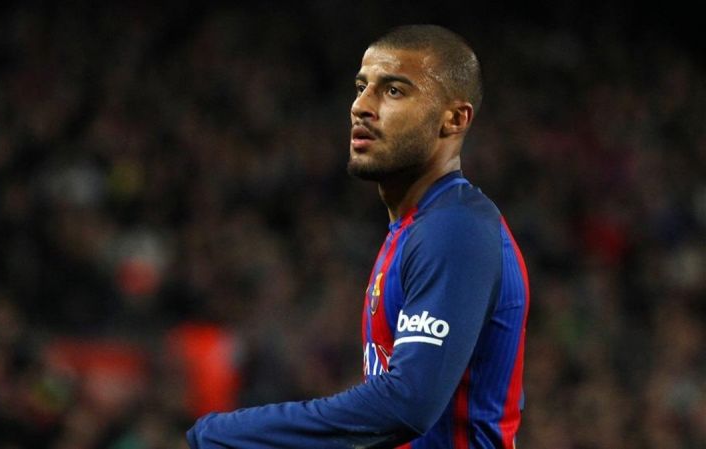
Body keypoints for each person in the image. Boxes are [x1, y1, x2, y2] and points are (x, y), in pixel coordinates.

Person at [186, 24, 530, 449]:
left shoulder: (455, 228)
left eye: (394, 91)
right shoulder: (413, 229)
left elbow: (406, 405)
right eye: (361, 87)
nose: (361, 107)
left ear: (455, 119)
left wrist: (223, 434)